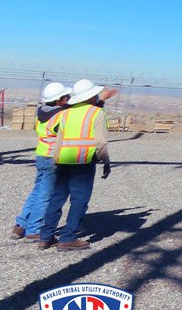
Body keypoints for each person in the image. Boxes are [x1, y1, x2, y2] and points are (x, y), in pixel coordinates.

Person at [37, 80, 114, 251]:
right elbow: (101, 141)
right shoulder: (97, 112)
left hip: (62, 160)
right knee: (79, 199)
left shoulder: (65, 113)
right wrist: (106, 162)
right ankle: (68, 238)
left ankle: (45, 236)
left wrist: (55, 159)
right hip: (83, 162)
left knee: (56, 198)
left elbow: (59, 139)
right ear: (90, 96)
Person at [9, 82, 72, 241]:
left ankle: (21, 225)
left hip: (42, 155)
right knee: (45, 195)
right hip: (53, 158)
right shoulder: (61, 116)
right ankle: (34, 229)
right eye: (66, 97)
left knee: (37, 192)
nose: (68, 99)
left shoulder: (42, 112)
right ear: (58, 100)